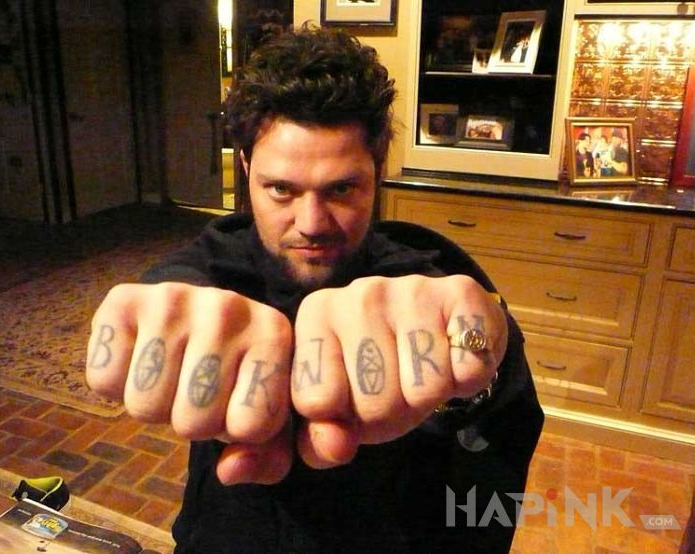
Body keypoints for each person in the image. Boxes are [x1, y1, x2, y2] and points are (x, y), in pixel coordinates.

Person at [86, 25, 543, 553]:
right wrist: (157, 315)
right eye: (281, 189)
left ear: (378, 173)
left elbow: (487, 382)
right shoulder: (215, 260)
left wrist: (485, 355)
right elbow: (178, 285)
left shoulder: (415, 269)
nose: (311, 223)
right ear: (246, 169)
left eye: (341, 189)